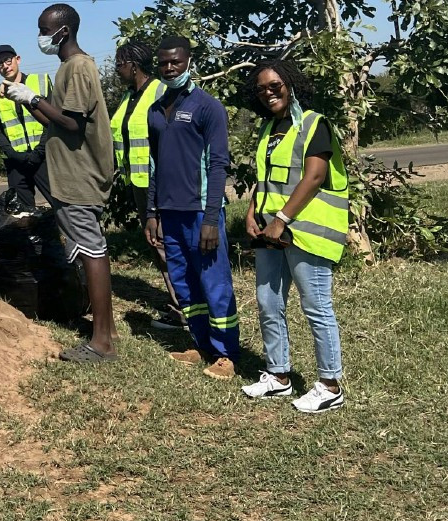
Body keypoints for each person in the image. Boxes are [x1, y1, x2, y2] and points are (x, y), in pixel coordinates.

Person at [1, 5, 117, 362]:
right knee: (88, 247)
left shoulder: (79, 67)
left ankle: (102, 343)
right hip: (69, 173)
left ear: (62, 31)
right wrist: (26, 100)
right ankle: (106, 328)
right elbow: (56, 120)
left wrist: (33, 98)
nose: (41, 38)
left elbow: (72, 124)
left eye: (44, 30)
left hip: (80, 174)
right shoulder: (66, 67)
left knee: (91, 249)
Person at [243, 59, 349, 413]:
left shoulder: (313, 123)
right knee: (268, 301)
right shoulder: (269, 127)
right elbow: (266, 177)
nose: (268, 93)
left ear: (290, 84)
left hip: (305, 229)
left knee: (316, 306)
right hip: (271, 229)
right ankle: (278, 375)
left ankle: (330, 384)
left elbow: (315, 176)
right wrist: (253, 211)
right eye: (261, 89)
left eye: (275, 86)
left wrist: (283, 218)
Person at [144, 35, 239, 380]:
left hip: (201, 212)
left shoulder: (207, 107)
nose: (170, 68)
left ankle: (226, 354)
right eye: (164, 63)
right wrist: (152, 213)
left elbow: (217, 165)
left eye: (176, 62)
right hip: (169, 213)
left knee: (214, 284)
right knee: (184, 283)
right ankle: (200, 344)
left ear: (188, 62)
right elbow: (154, 165)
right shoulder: (155, 111)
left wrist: (212, 218)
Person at [110, 40, 183, 328]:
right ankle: (179, 305)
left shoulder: (161, 92)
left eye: (119, 65)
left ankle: (188, 310)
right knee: (157, 243)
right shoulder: (130, 97)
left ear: (133, 65)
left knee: (167, 243)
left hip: (161, 184)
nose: (117, 70)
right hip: (139, 184)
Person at [0, 44, 50, 208]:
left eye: (8, 60)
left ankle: (67, 233)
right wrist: (13, 154)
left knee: (60, 203)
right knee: (23, 211)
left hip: (44, 157)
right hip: (17, 162)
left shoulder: (40, 81)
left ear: (18, 59)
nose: (5, 66)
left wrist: (39, 152)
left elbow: (52, 119)